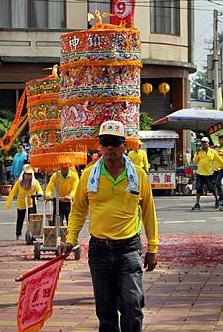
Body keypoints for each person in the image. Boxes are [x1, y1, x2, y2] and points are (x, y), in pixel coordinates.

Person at [58, 120, 158, 332]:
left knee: (132, 304)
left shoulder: (138, 175)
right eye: (106, 142)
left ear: (125, 145)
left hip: (129, 248)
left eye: (115, 142)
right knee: (105, 309)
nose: (110, 147)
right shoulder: (88, 176)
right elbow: (77, 211)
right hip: (99, 250)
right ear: (99, 146)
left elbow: (148, 211)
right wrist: (70, 239)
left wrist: (153, 248)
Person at [5, 164, 43, 240]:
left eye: (29, 174)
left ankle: (33, 234)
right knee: (20, 219)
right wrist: (8, 203)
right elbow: (13, 192)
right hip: (22, 203)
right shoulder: (19, 183)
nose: (28, 176)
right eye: (26, 174)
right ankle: (18, 234)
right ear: (23, 174)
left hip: (31, 203)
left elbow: (39, 190)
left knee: (33, 219)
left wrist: (40, 193)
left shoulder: (35, 182)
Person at [191, 137, 217, 210]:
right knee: (198, 188)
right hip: (200, 173)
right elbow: (195, 161)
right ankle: (197, 203)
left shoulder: (212, 152)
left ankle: (217, 200)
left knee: (211, 189)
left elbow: (218, 159)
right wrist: (197, 153)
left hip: (209, 173)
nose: (204, 144)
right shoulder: (199, 152)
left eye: (205, 142)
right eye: (202, 142)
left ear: (208, 143)